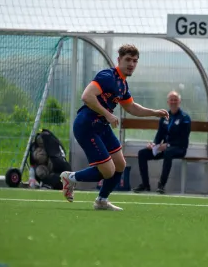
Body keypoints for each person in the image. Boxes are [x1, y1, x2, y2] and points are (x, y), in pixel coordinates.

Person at [60, 44, 169, 210]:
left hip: (101, 127)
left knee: (120, 165)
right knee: (108, 171)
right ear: (119, 60)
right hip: (87, 125)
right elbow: (87, 96)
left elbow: (132, 107)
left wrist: (154, 112)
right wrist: (108, 114)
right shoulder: (108, 76)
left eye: (135, 61)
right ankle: (70, 178)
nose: (131, 64)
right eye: (128, 60)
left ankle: (102, 201)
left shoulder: (123, 85)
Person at [133, 91, 191, 194]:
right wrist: (154, 145)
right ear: (168, 102)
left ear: (179, 101)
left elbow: (183, 139)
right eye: (171, 100)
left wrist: (168, 145)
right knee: (142, 153)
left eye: (175, 100)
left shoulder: (185, 118)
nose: (173, 102)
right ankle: (145, 185)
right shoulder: (164, 116)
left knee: (168, 151)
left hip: (179, 148)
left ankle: (161, 185)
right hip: (164, 148)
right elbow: (159, 134)